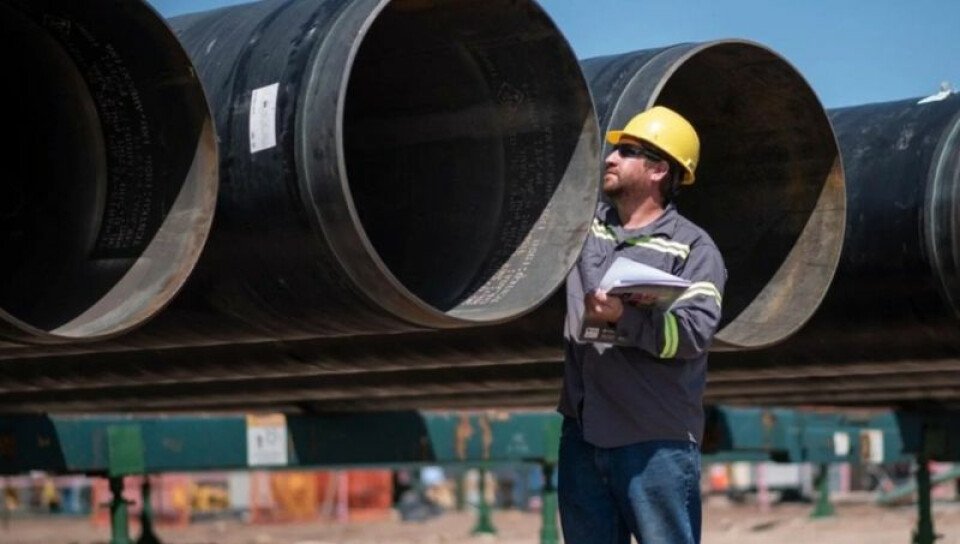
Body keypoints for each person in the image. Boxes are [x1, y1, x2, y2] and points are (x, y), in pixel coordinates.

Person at [557, 106, 726, 544]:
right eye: (614, 149)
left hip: (654, 444)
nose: (611, 158)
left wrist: (624, 317)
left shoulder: (693, 249)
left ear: (659, 170)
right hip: (583, 434)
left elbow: (693, 334)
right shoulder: (585, 230)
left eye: (627, 151)